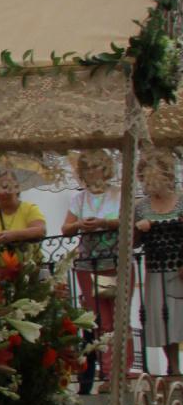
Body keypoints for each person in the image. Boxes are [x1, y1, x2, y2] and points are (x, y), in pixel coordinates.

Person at [63, 151, 123, 392]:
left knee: (117, 318)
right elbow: (65, 228)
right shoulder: (79, 199)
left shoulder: (117, 194)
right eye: (86, 169)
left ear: (105, 169)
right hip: (89, 263)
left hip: (111, 261)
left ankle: (121, 371)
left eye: (95, 167)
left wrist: (104, 224)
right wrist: (79, 225)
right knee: (101, 320)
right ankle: (108, 372)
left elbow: (126, 219)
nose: (91, 173)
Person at [136, 151, 183, 376]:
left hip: (179, 267)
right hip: (155, 269)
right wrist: (138, 228)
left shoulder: (181, 201)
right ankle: (173, 367)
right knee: (164, 320)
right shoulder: (141, 207)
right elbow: (132, 243)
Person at [0, 170, 47, 249]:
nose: (1, 192)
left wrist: (13, 235)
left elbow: (40, 231)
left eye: (5, 187)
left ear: (16, 187)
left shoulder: (30, 208)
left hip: (26, 260)